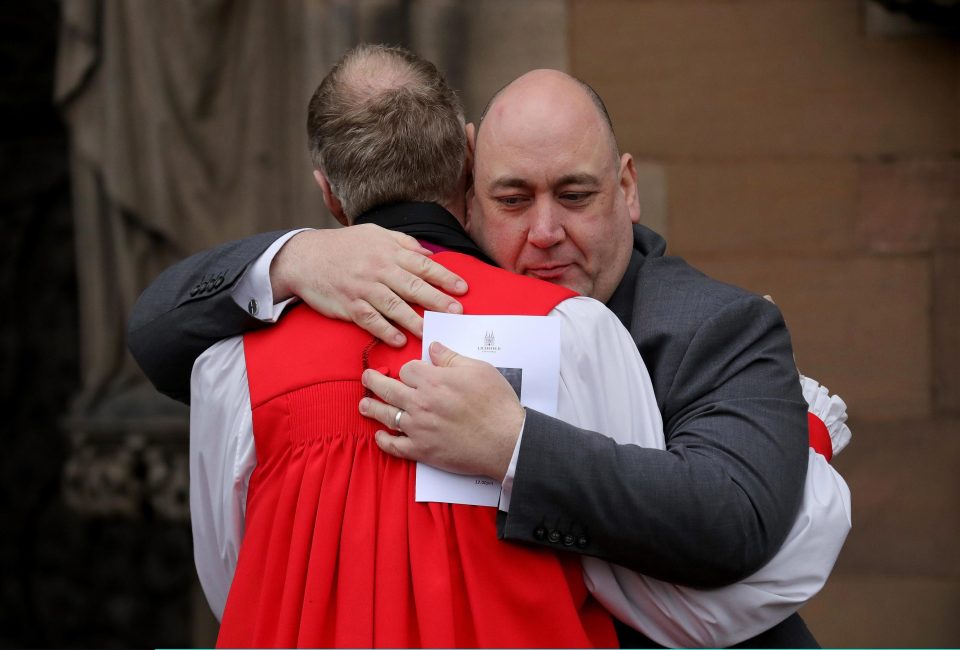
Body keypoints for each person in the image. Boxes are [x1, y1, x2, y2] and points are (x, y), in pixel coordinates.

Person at [129, 52, 844, 647]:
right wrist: (291, 260)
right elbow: (158, 333)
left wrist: (516, 447)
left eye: (574, 195)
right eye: (512, 199)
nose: (543, 232)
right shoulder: (278, 320)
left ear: (626, 189)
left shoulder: (713, 325)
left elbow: (729, 532)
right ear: (464, 185)